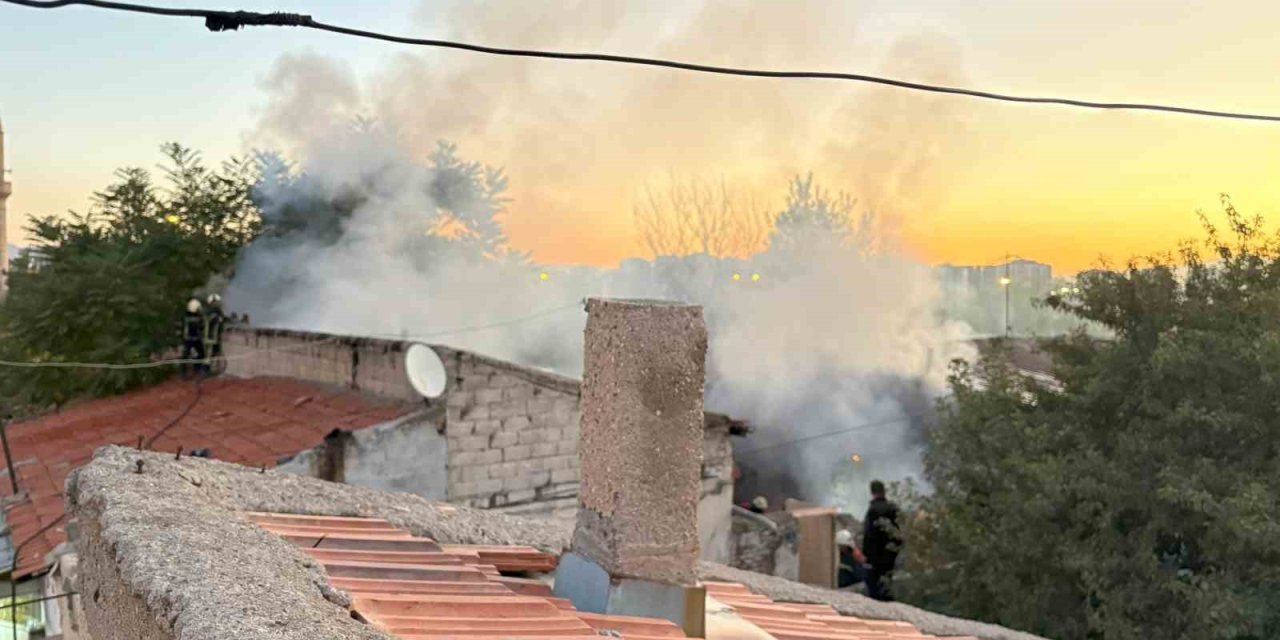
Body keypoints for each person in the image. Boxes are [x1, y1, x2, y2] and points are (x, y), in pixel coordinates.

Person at [862, 479, 902, 601]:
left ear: (872, 492)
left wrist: (866, 554)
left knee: (874, 586)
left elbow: (868, 534)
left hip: (875, 555)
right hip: (890, 553)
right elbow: (899, 532)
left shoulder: (872, 510)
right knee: (887, 580)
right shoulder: (893, 508)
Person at [181, 298, 205, 378]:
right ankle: (196, 369)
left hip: (187, 339)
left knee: (185, 355)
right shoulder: (198, 318)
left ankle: (184, 373)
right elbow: (202, 328)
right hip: (195, 339)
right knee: (201, 354)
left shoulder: (185, 316)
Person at [203, 293, 227, 375]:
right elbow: (213, 321)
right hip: (211, 337)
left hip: (215, 336)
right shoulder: (210, 312)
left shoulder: (216, 311)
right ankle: (206, 370)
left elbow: (222, 321)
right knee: (209, 354)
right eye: (216, 302)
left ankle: (215, 369)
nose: (217, 303)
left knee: (216, 353)